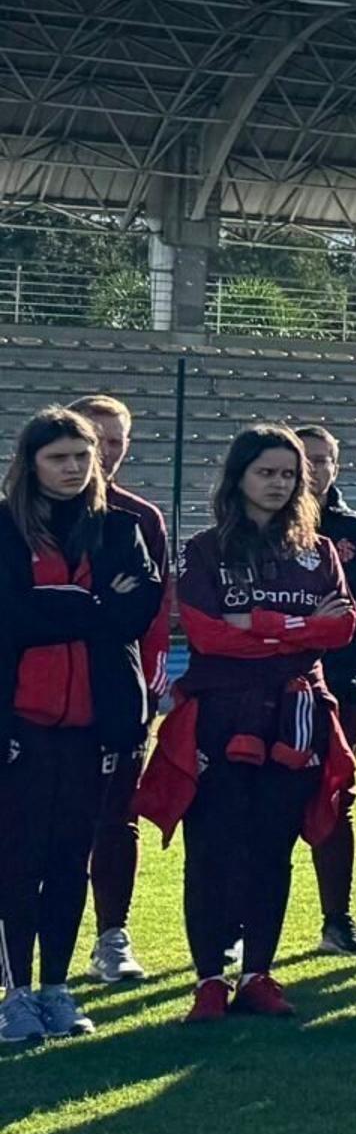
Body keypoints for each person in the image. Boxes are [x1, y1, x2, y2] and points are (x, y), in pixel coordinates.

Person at [157, 425, 356, 1021]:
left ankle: (258, 974)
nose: (278, 483)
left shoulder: (318, 551)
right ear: (239, 477)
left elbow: (341, 628)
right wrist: (297, 629)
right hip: (220, 716)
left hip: (295, 718)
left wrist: (260, 625)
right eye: (266, 472)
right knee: (212, 848)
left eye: (288, 474)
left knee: (274, 847)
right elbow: (208, 635)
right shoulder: (206, 549)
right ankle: (209, 979)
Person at [0, 407, 162, 1041]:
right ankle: (14, 993)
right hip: (22, 723)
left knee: (72, 859)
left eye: (82, 456)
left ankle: (57, 988)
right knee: (18, 859)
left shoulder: (123, 528)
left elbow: (136, 612)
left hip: (97, 725)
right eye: (58, 457)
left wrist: (62, 610)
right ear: (31, 463)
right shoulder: (6, 527)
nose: (72, 468)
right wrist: (95, 605)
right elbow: (12, 619)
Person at [68, 392, 171, 985]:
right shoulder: (21, 515)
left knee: (115, 819)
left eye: (116, 442)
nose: (106, 453)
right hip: (38, 699)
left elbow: (150, 610)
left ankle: (112, 938)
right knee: (33, 824)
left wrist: (149, 681)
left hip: (118, 694)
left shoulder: (139, 519)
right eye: (95, 439)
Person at [296, 424, 356, 958]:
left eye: (321, 459)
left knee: (335, 802)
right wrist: (315, 617)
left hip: (340, 689)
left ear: (337, 465)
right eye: (301, 459)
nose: (312, 470)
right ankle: (240, 928)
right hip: (266, 690)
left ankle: (337, 919)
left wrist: (295, 617)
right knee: (257, 806)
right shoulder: (253, 528)